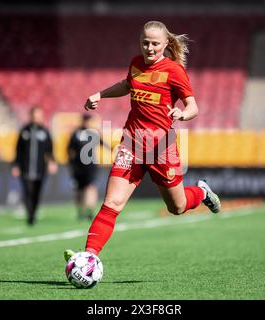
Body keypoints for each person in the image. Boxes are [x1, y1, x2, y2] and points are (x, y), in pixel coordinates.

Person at [64, 21, 221, 260]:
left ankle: (201, 192)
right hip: (132, 144)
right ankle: (89, 256)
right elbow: (127, 85)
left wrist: (182, 114)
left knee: (177, 207)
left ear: (165, 44)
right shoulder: (136, 63)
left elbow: (193, 106)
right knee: (112, 203)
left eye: (155, 44)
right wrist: (101, 94)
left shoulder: (174, 71)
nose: (149, 48)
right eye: (145, 43)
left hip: (161, 148)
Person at [11, 106, 57, 226]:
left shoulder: (45, 132)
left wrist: (52, 162)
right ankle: (30, 216)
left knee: (36, 193)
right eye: (35, 115)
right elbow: (18, 149)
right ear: (31, 116)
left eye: (39, 116)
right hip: (25, 168)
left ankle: (33, 213)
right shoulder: (24, 131)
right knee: (27, 192)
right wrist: (15, 165)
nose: (37, 118)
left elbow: (50, 150)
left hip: (40, 169)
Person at [67, 114, 111, 221]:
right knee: (80, 189)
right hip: (79, 166)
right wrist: (72, 164)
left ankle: (89, 210)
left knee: (90, 187)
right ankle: (81, 211)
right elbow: (70, 150)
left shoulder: (93, 133)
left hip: (91, 166)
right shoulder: (77, 133)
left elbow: (105, 145)